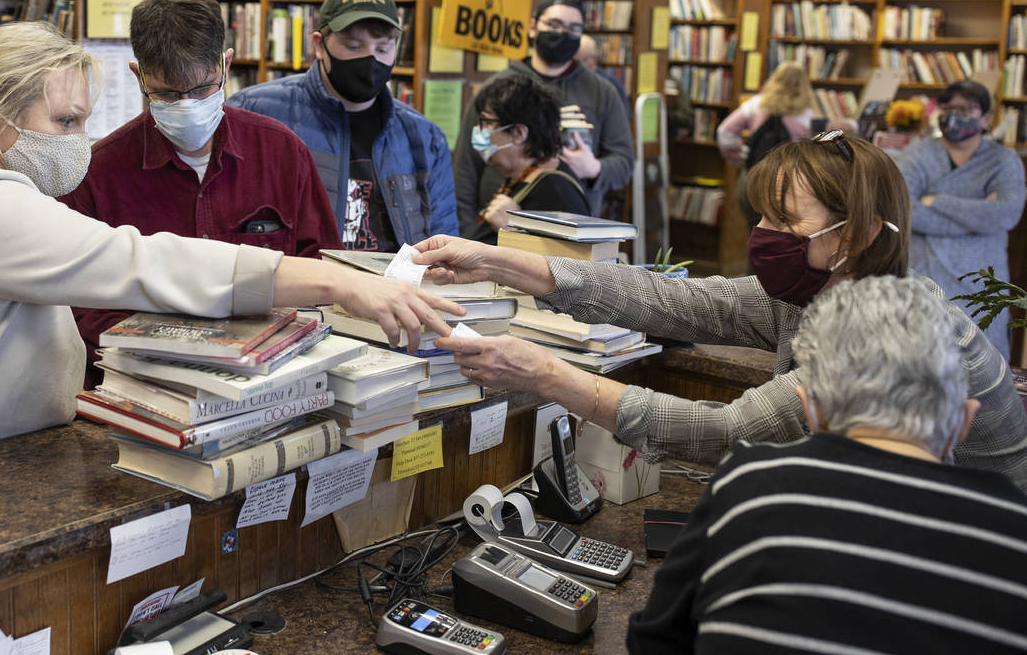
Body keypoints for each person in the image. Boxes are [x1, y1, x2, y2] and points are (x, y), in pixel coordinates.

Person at [0, 22, 463, 479]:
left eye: (85, 119)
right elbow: (138, 261)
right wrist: (339, 283)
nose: (82, 139)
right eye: (66, 122)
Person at [424, 132, 1027, 491]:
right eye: (761, 215)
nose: (762, 233)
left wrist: (544, 374)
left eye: (784, 220)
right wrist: (497, 260)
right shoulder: (821, 291)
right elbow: (671, 300)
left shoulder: (886, 340)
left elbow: (726, 432)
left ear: (856, 235)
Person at [627, 275, 1027, 653]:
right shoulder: (1015, 534)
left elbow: (655, 641)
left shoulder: (748, 486)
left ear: (811, 411)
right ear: (964, 420)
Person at [60, 0, 342, 384]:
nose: (187, 105)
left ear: (226, 65)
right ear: (138, 76)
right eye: (167, 94)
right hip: (146, 384)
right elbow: (79, 306)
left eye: (202, 89)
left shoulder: (281, 152)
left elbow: (324, 269)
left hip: (269, 378)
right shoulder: (95, 173)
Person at [230, 0, 458, 251]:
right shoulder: (253, 113)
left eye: (383, 49)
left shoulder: (425, 137)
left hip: (395, 278)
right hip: (302, 276)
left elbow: (446, 246)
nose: (370, 59)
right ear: (319, 45)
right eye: (353, 46)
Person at [454, 0, 634, 227]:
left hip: (572, 227)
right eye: (554, 25)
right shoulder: (497, 88)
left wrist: (594, 168)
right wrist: (466, 231)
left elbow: (624, 163)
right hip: (494, 223)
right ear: (533, 27)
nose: (563, 34)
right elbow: (465, 167)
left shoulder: (602, 92)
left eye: (574, 28)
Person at [898, 80, 1026, 360]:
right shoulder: (917, 153)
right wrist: (975, 220)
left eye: (965, 110)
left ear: (986, 118)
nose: (953, 116)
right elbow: (903, 208)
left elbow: (1006, 214)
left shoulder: (1004, 161)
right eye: (947, 108)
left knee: (985, 364)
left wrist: (937, 200)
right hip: (925, 274)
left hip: (983, 278)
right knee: (920, 363)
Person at [464, 73, 589, 244]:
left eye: (487, 123)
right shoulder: (520, 178)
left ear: (518, 133)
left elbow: (570, 259)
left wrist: (514, 233)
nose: (479, 130)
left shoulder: (557, 193)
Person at [716, 61, 821, 227]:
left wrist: (739, 157)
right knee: (780, 234)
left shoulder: (756, 104)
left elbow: (725, 133)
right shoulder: (808, 114)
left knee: (754, 231)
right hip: (788, 183)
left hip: (752, 177)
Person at [574, 33, 632, 127]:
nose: (574, 67)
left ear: (593, 59)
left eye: (579, 62)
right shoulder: (569, 80)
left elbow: (621, 123)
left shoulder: (611, 85)